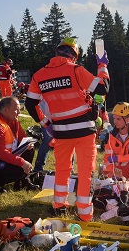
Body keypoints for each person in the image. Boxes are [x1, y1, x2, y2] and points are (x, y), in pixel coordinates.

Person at [25, 37, 110, 221]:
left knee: (63, 169)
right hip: (84, 132)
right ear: (74, 55)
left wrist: (45, 123)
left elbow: (30, 103)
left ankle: (58, 207)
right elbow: (103, 88)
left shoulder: (39, 75)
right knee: (86, 172)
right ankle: (85, 214)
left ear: (57, 52)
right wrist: (102, 65)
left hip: (61, 132)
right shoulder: (76, 69)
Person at [33, 99, 53, 172]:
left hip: (63, 119)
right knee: (48, 140)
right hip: (46, 118)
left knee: (68, 142)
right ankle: (38, 168)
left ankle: (69, 170)